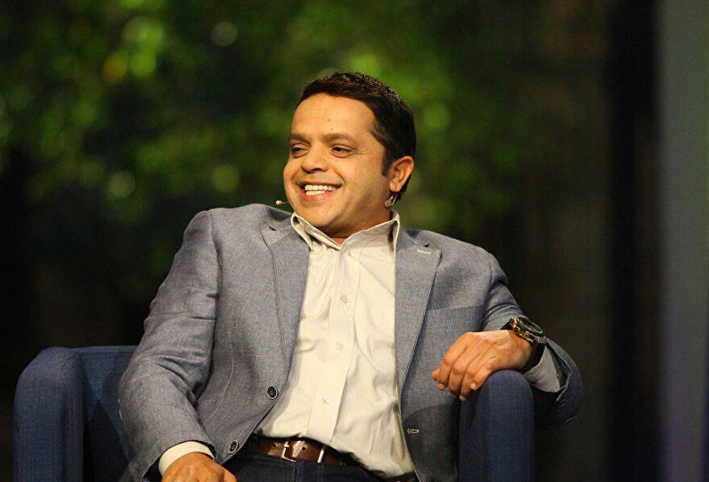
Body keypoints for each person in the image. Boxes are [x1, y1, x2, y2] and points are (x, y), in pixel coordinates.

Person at [118, 72, 581, 482]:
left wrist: (520, 345)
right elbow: (158, 367)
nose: (309, 163)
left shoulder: (463, 269)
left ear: (396, 174)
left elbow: (564, 395)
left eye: (339, 149)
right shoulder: (227, 237)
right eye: (298, 148)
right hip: (239, 468)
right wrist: (185, 455)